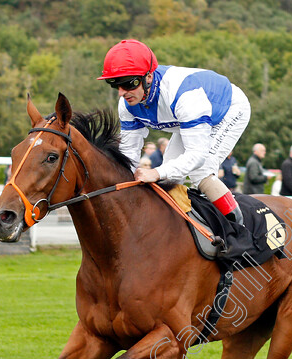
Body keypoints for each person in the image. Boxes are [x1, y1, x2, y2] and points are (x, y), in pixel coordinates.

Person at [99, 39, 250, 224]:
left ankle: (239, 229)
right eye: (115, 85)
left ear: (148, 77)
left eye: (129, 84)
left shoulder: (184, 96)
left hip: (228, 110)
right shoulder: (127, 104)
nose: (122, 93)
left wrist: (155, 173)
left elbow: (197, 155)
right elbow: (129, 154)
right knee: (170, 174)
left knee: (200, 170)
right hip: (186, 119)